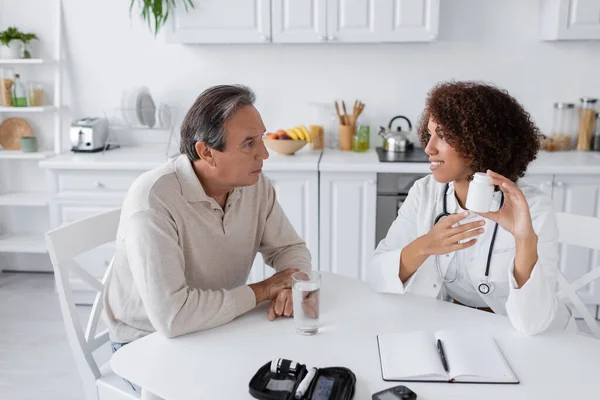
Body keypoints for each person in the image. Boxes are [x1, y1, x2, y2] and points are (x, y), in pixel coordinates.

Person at [103, 84, 312, 355]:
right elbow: (173, 318)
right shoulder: (153, 200)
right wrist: (265, 289)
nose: (264, 153)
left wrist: (293, 285)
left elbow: (289, 249)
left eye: (261, 138)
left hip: (219, 327)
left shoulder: (255, 186)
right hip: (146, 343)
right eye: (249, 143)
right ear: (206, 152)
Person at [368, 81, 570, 336]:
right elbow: (377, 277)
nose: (429, 148)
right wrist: (425, 245)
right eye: (429, 134)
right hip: (452, 326)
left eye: (442, 136)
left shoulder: (532, 209)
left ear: (480, 142)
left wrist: (524, 240)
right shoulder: (425, 192)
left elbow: (532, 324)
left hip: (523, 337)